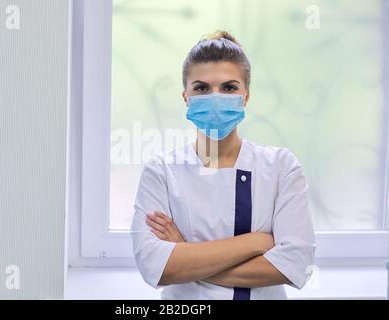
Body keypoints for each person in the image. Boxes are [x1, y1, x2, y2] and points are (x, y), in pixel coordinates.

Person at [130, 31, 316, 300]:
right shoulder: (161, 172)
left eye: (229, 87)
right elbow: (155, 267)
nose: (215, 97)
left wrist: (185, 251)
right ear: (186, 97)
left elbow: (296, 265)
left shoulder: (281, 167)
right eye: (202, 88)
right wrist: (255, 243)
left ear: (245, 97)